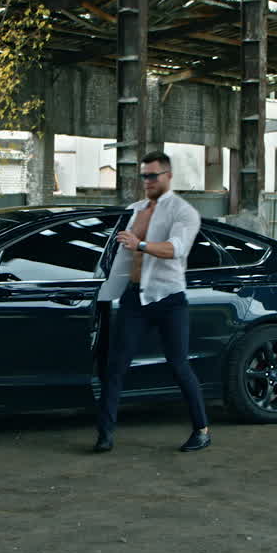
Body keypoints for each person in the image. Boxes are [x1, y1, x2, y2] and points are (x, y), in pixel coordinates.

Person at [94, 151, 211, 453]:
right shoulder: (134, 210)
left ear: (168, 176)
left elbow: (176, 249)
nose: (146, 181)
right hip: (135, 297)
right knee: (115, 366)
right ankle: (105, 435)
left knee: (179, 365)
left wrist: (140, 244)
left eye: (152, 175)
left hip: (169, 299)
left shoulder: (183, 212)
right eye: (143, 176)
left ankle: (202, 430)